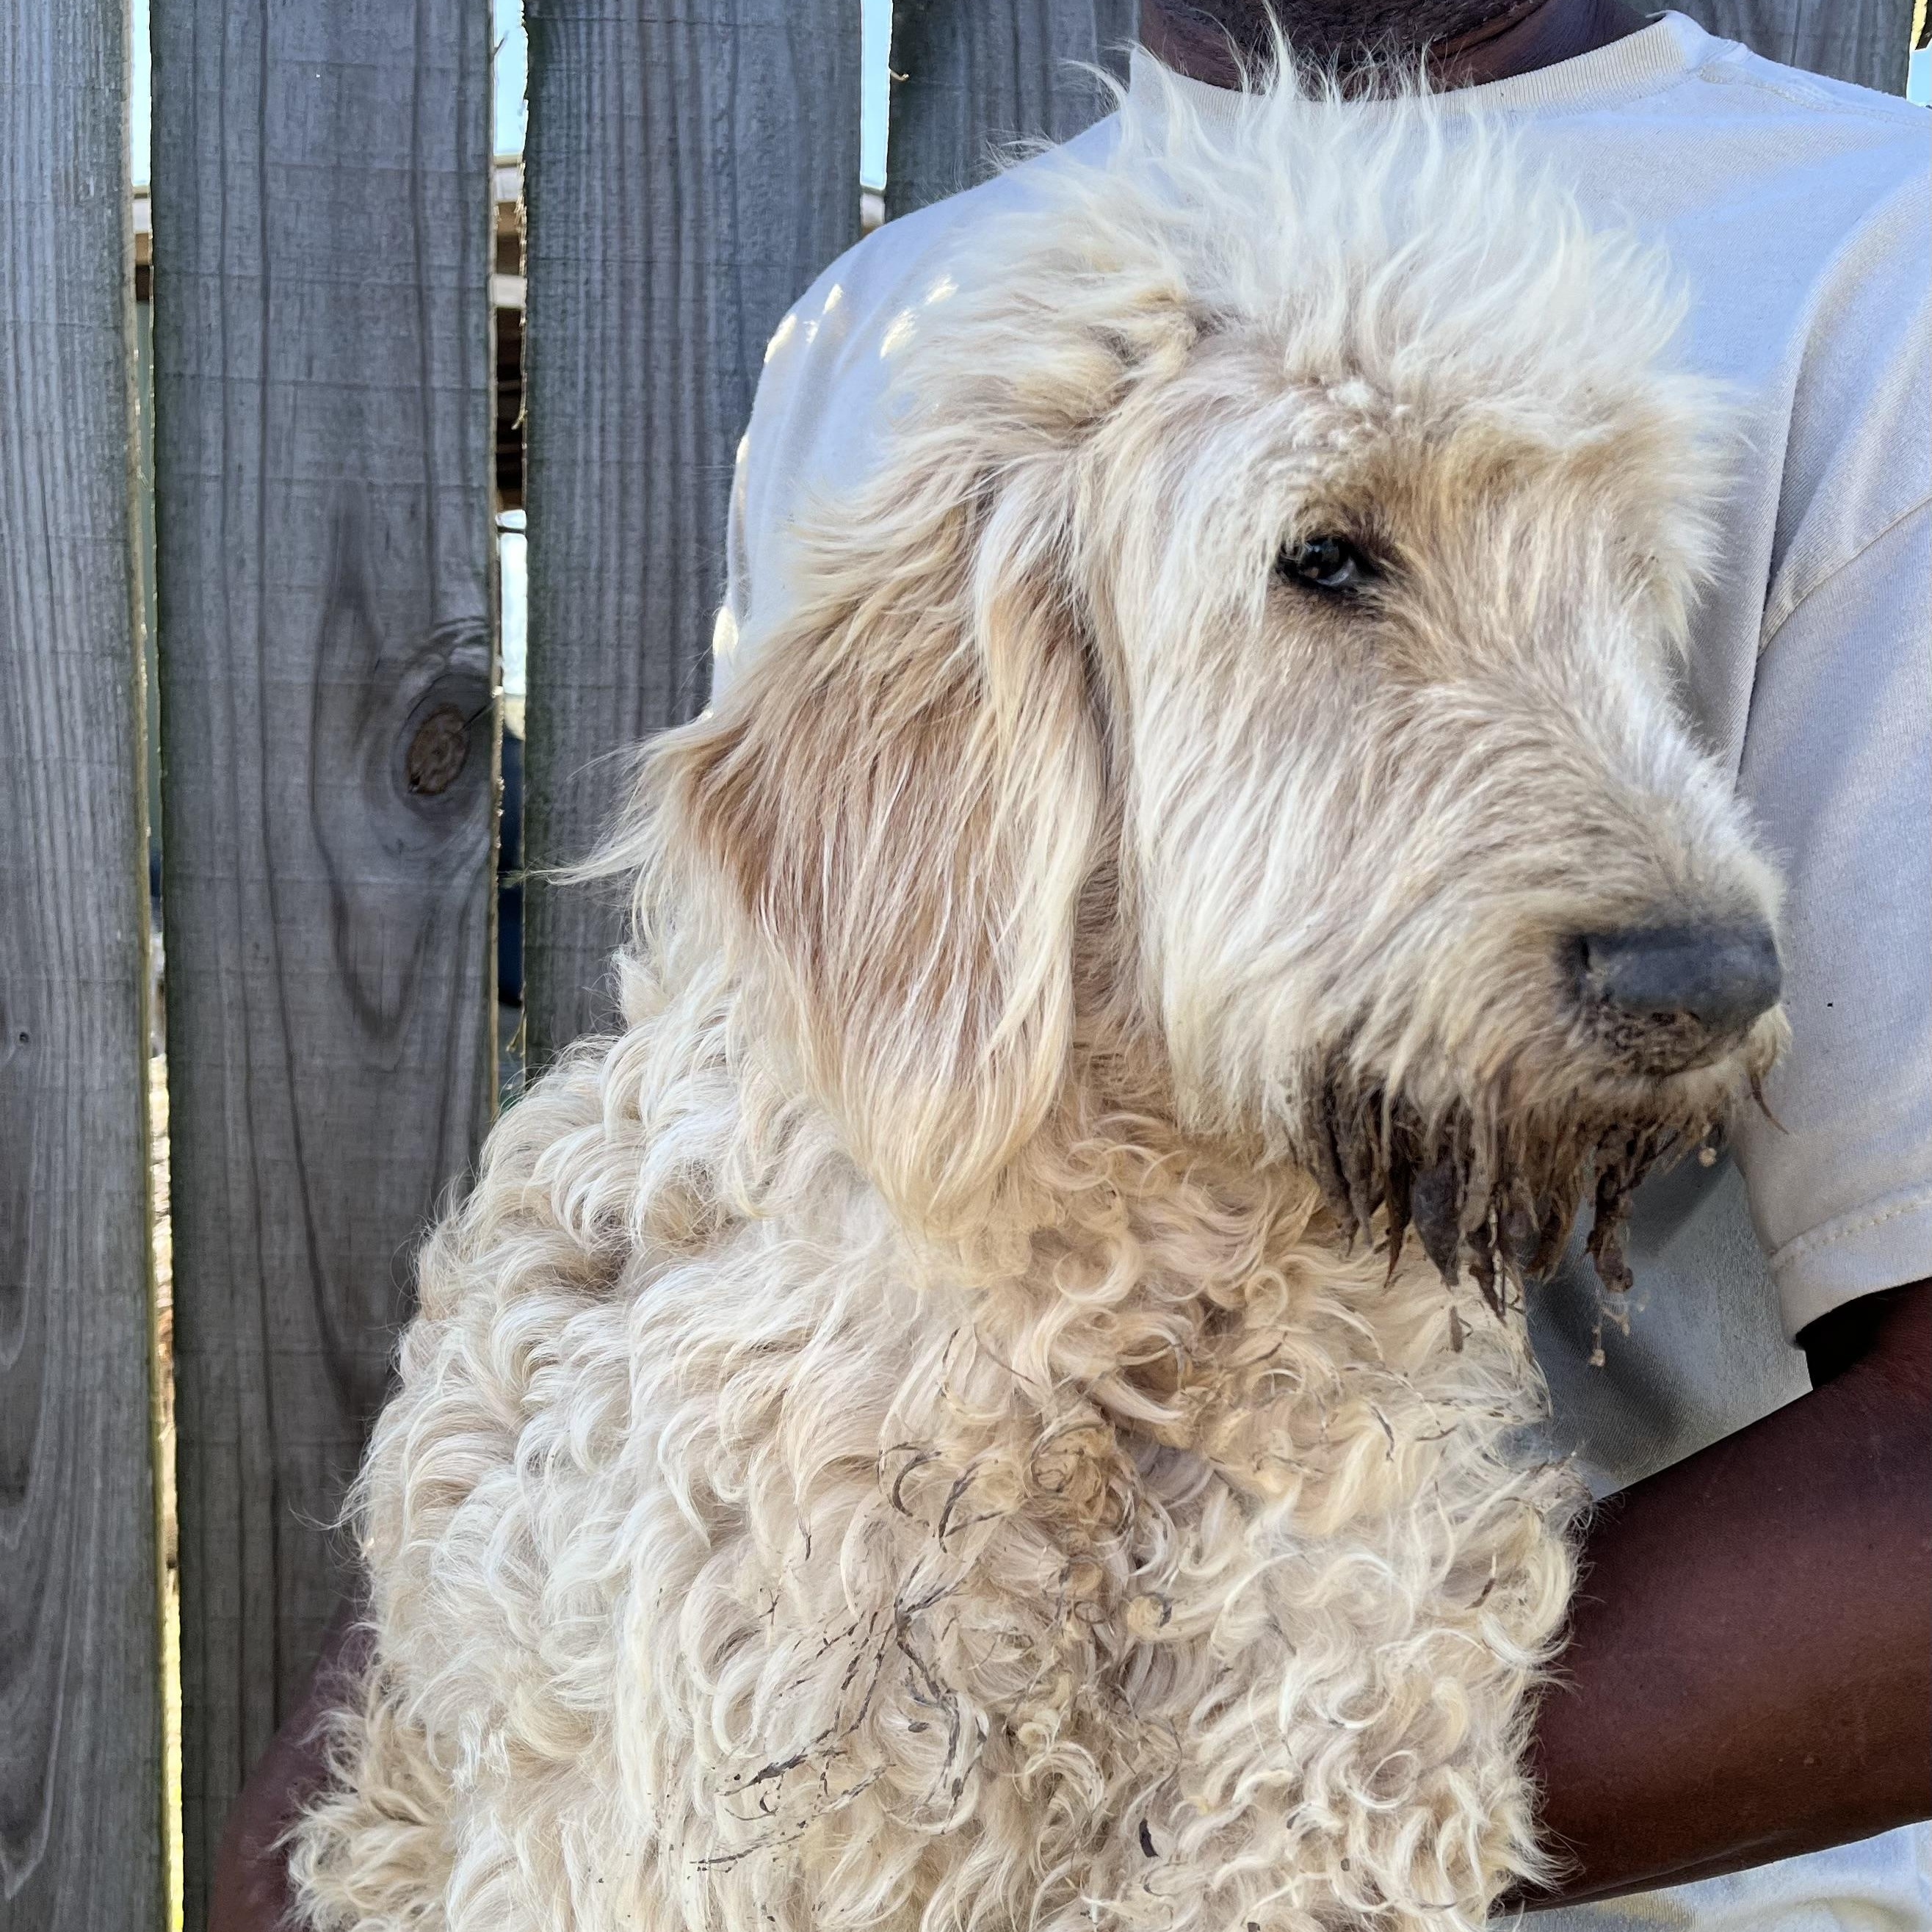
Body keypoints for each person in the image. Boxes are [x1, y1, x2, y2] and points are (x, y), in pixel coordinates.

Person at [213, 4, 1929, 1925]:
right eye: (1338, 564)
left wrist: (1200, 1802)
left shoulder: (1881, 269)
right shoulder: (904, 326)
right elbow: (696, 1147)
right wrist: (330, 1826)